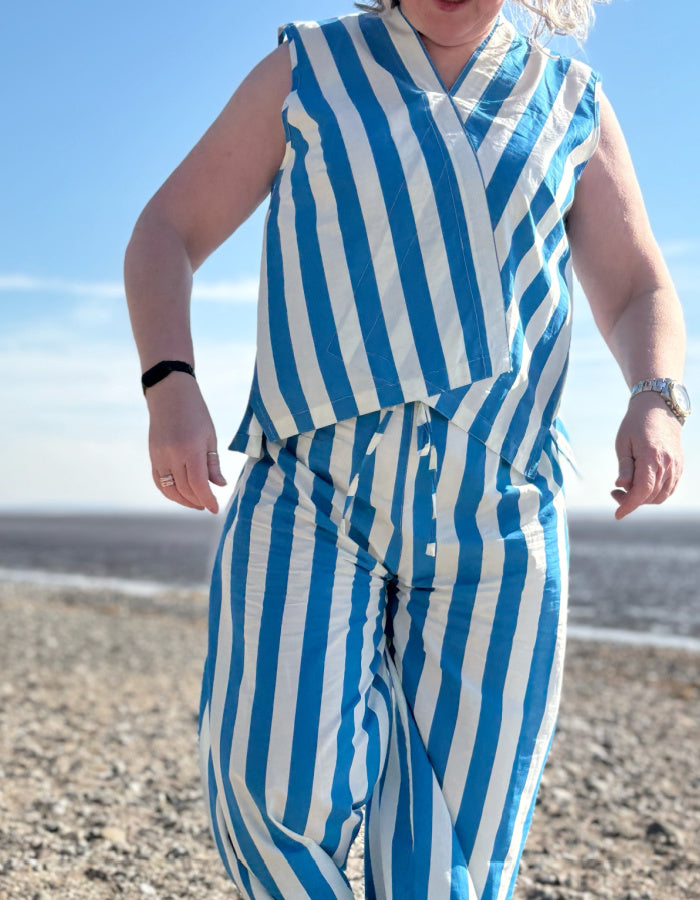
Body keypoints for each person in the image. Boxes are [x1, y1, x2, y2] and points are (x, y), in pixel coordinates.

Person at [123, 1, 689, 897]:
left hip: (500, 518)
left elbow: (635, 287)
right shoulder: (310, 70)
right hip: (310, 492)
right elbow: (166, 231)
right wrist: (170, 383)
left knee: (457, 849)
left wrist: (657, 398)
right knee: (267, 791)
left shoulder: (568, 99)